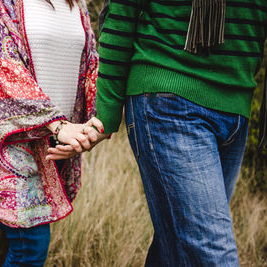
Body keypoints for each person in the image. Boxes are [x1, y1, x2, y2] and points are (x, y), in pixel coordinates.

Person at [49, 0, 267, 266]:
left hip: (236, 104)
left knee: (175, 247)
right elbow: (123, 12)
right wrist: (106, 116)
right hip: (169, 100)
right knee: (213, 255)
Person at [0, 0, 102, 265]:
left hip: (58, 140)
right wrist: (58, 125)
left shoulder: (78, 4)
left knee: (17, 230)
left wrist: (93, 128)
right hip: (9, 140)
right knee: (30, 248)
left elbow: (91, 63)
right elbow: (1, 68)